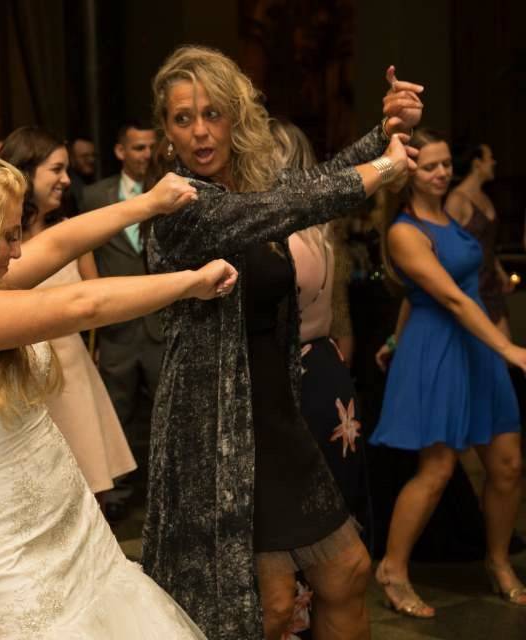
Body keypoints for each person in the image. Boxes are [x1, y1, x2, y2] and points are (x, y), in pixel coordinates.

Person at [0, 147, 236, 638]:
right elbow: (81, 304)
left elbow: (55, 247)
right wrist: (189, 283)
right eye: (7, 235)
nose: (16, 250)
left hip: (65, 513)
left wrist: (148, 204)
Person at [141, 45, 421, 640]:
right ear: (165, 129)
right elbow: (291, 204)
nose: (199, 131)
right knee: (265, 609)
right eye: (182, 118)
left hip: (275, 415)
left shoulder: (246, 190)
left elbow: (305, 186)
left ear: (236, 117)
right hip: (219, 433)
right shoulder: (178, 206)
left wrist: (383, 132)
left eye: (212, 114)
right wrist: (383, 171)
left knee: (346, 570)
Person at [371, 129, 526, 616]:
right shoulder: (403, 230)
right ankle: (393, 569)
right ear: (407, 171)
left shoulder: (448, 216)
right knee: (436, 470)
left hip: (474, 348)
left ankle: (498, 561)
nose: (440, 173)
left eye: (444, 165)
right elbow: (449, 297)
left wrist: (393, 339)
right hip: (441, 349)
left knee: (507, 465)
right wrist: (509, 347)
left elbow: (425, 293)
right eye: (429, 166)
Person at [0, 126, 137, 504]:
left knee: (85, 493)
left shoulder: (69, 232)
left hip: (71, 373)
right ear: (26, 172)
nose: (66, 180)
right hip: (20, 376)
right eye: (56, 169)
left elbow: (93, 300)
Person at [271, 120, 371, 532]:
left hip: (296, 371)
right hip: (327, 367)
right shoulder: (321, 226)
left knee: (301, 503)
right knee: (335, 492)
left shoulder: (279, 235)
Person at [81, 120, 161, 518]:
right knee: (118, 408)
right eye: (138, 148)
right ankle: (118, 492)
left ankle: (164, 488)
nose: (146, 155)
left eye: (150, 147)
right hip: (117, 328)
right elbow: (87, 254)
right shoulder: (96, 197)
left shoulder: (167, 192)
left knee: (165, 408)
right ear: (120, 152)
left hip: (160, 323)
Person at [445, 143, 513, 336]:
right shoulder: (456, 200)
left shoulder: (486, 198)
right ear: (477, 164)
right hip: (470, 286)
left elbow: (487, 244)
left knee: (504, 353)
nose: (494, 162)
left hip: (491, 285)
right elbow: (446, 246)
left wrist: (500, 273)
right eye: (489, 158)